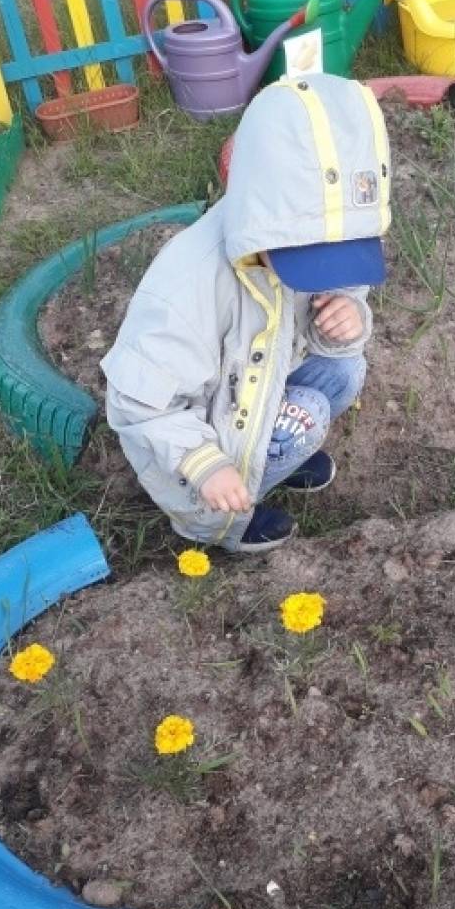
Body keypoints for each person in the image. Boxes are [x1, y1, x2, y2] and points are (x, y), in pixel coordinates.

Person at [100, 72, 391, 552]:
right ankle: (215, 523)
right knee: (310, 412)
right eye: (312, 262)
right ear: (261, 220)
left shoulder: (321, 223)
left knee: (345, 366)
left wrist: (348, 315)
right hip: (199, 442)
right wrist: (205, 465)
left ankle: (275, 462)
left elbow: (342, 291)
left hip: (260, 385)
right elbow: (138, 405)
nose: (324, 276)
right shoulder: (188, 286)